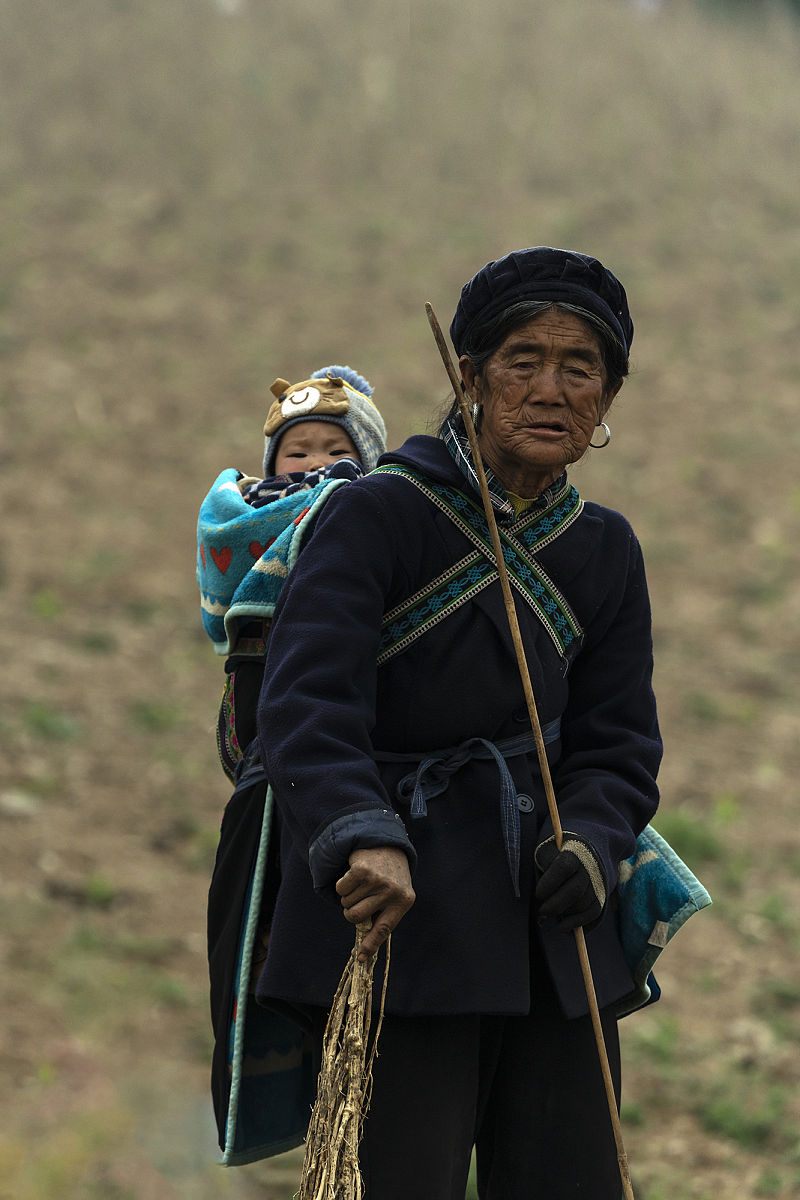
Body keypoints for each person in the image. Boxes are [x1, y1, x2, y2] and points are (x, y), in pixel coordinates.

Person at [253, 248, 663, 1198]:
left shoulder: (604, 551)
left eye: (582, 367)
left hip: (549, 924)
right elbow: (306, 704)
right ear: (468, 376)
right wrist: (361, 835)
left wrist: (596, 843)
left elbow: (620, 743)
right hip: (400, 915)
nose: (553, 389)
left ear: (608, 397)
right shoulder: (378, 515)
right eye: (523, 360)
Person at [196, 365, 386, 778]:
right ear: (273, 463)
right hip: (258, 666)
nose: (317, 463)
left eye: (338, 453)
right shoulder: (251, 506)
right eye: (297, 453)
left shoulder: (367, 512)